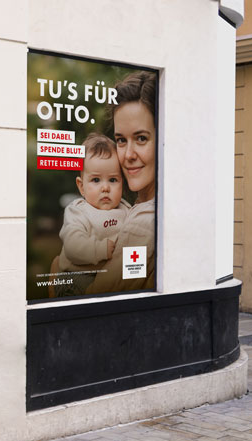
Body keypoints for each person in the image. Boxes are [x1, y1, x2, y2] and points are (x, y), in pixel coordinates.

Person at [85, 71, 157, 295]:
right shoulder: (148, 207)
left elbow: (95, 299)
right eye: (121, 141)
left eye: (141, 138)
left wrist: (56, 270)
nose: (128, 155)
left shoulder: (142, 222)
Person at [51, 133, 131, 297]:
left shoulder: (126, 210)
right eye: (96, 180)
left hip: (110, 276)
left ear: (122, 182)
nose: (105, 188)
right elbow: (73, 245)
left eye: (113, 180)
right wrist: (99, 249)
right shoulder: (78, 211)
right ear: (81, 186)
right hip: (77, 277)